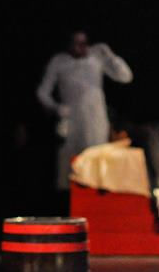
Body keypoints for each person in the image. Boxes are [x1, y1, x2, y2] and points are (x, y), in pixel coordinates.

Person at [37, 31, 133, 190]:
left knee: (95, 161)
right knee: (70, 166)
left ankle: (95, 197)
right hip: (71, 121)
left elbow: (126, 76)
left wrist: (110, 56)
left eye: (82, 44)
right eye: (75, 43)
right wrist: (56, 108)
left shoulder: (96, 58)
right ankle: (67, 198)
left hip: (96, 120)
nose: (79, 48)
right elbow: (42, 92)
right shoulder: (59, 61)